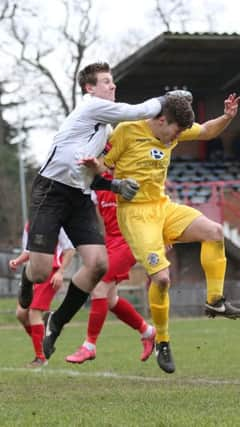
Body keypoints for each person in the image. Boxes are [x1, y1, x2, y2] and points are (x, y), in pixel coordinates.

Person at [21, 61, 176, 361]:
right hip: (51, 191)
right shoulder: (91, 107)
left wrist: (115, 186)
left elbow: (93, 173)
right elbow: (136, 112)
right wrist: (168, 100)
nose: (112, 86)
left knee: (98, 265)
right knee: (40, 272)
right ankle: (26, 279)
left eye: (112, 81)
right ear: (89, 89)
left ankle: (58, 321)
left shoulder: (104, 130)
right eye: (106, 81)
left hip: (78, 196)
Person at [82, 93, 240, 374]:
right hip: (135, 214)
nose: (179, 137)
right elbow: (98, 171)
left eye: (182, 132)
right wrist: (114, 182)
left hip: (162, 206)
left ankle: (215, 301)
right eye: (176, 131)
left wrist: (228, 117)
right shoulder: (127, 131)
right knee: (161, 278)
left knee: (214, 232)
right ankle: (162, 341)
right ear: (160, 120)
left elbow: (206, 131)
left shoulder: (173, 129)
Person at [64, 172, 156, 364]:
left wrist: (164, 235)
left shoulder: (132, 174)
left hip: (130, 240)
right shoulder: (98, 183)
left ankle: (89, 346)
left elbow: (155, 204)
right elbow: (96, 218)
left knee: (99, 287)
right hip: (111, 241)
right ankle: (148, 332)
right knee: (111, 299)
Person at [10, 225, 75, 367]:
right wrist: (18, 260)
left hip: (51, 272)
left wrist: (60, 272)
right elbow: (28, 251)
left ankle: (41, 357)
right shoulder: (30, 224)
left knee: (34, 312)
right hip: (32, 272)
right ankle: (46, 340)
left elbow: (70, 250)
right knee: (21, 314)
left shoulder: (57, 222)